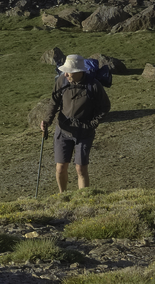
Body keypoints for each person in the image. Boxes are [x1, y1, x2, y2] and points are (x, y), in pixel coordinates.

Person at [41, 53, 111, 192]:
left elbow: (105, 107)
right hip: (63, 129)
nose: (66, 74)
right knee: (60, 167)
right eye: (66, 71)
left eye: (69, 72)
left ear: (79, 71)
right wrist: (47, 120)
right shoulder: (62, 81)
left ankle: (83, 201)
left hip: (84, 132)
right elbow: (53, 102)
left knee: (81, 168)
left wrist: (92, 124)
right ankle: (63, 196)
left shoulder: (94, 85)